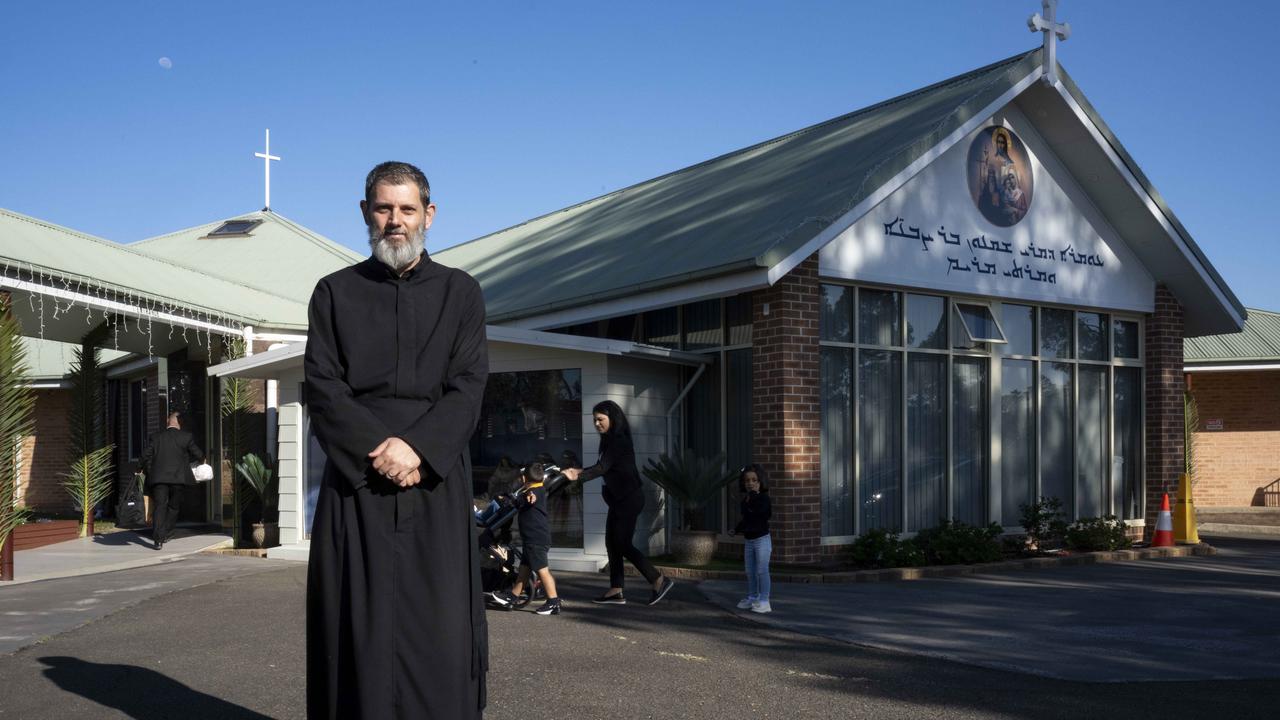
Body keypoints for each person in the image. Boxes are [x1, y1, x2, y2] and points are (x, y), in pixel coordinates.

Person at [304, 161, 489, 719]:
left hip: (434, 483)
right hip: (357, 487)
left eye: (407, 209)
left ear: (428, 215)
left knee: (439, 632)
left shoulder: (462, 293)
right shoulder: (334, 293)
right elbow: (323, 386)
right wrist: (379, 451)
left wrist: (417, 450)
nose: (395, 221)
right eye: (384, 208)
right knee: (354, 630)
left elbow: (469, 385)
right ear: (366, 213)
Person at [562, 400, 674, 606]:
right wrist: (578, 471)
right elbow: (601, 466)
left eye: (600, 419)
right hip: (619, 501)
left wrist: (579, 477)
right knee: (612, 544)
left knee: (622, 543)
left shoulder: (619, 440)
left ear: (612, 419)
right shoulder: (607, 440)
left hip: (629, 499)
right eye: (594, 420)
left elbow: (602, 468)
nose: (596, 423)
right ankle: (616, 590)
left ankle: (659, 580)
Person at [496, 462, 562, 615]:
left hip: (535, 540)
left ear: (524, 478)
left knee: (542, 570)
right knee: (524, 570)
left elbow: (523, 499)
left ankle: (553, 601)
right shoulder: (538, 489)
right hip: (534, 539)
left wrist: (509, 499)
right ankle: (512, 596)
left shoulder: (533, 493)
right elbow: (524, 497)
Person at [140, 411, 202, 551]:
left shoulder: (156, 437)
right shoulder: (186, 437)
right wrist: (203, 460)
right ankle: (166, 533)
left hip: (159, 480)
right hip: (178, 480)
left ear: (168, 421)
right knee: (173, 507)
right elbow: (197, 453)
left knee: (160, 506)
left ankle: (158, 540)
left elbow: (145, 455)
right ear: (179, 423)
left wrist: (139, 468)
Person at [730, 464, 772, 614]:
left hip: (762, 540)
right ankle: (753, 597)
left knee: (762, 570)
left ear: (760, 482)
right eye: (747, 480)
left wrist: (753, 497)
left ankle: (764, 600)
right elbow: (746, 519)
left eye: (754, 480)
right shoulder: (745, 500)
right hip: (749, 540)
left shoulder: (763, 499)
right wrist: (736, 529)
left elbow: (763, 514)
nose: (750, 483)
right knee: (750, 571)